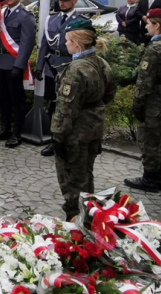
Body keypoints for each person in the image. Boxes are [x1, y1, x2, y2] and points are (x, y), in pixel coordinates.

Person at [50, 19, 115, 220]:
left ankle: (75, 219)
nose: (65, 44)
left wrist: (58, 135)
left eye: (67, 40)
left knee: (70, 177)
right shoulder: (101, 62)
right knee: (86, 173)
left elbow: (66, 107)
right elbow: (110, 93)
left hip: (75, 132)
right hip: (94, 127)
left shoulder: (76, 68)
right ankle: (89, 213)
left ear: (76, 43)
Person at [124, 8, 161, 193]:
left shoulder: (155, 49)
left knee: (150, 139)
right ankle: (160, 178)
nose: (146, 26)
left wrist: (138, 104)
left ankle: (149, 179)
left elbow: (145, 82)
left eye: (149, 23)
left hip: (154, 101)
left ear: (157, 25)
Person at [0, 0, 36, 148]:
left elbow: (27, 43)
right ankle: (4, 129)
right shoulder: (1, 14)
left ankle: (17, 133)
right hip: (0, 62)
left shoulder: (26, 17)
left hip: (14, 64)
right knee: (3, 98)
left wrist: (19, 66)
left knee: (17, 101)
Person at [35, 0, 82, 157]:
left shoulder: (81, 22)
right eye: (60, 0)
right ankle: (53, 141)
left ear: (74, 1)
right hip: (51, 67)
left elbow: (84, 48)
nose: (62, 3)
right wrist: (39, 66)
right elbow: (44, 44)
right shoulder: (51, 19)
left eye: (66, 0)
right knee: (52, 106)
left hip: (70, 67)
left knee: (68, 107)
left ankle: (67, 140)